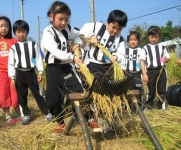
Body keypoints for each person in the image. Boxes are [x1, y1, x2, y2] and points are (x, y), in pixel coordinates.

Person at [79, 9, 128, 131]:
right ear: (108, 22)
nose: (115, 31)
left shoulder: (120, 40)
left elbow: (122, 53)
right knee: (97, 89)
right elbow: (84, 29)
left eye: (119, 29)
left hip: (108, 67)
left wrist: (116, 56)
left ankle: (107, 118)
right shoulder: (97, 27)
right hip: (92, 64)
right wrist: (92, 36)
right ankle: (93, 118)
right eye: (113, 27)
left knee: (111, 90)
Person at [41, 1, 84, 134]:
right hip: (53, 69)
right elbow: (55, 51)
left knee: (78, 93)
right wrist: (72, 57)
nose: (64, 23)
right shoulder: (48, 32)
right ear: (51, 16)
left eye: (66, 19)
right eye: (60, 19)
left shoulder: (68, 29)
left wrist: (77, 44)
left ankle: (88, 118)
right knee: (52, 99)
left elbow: (78, 36)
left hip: (66, 67)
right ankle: (60, 122)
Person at [8, 20, 49, 125]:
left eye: (23, 31)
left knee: (38, 93)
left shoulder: (33, 44)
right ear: (15, 33)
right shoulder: (13, 48)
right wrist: (12, 77)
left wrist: (40, 71)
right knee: (21, 95)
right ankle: (26, 114)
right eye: (18, 32)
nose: (21, 34)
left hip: (31, 72)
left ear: (27, 32)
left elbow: (37, 58)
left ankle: (46, 112)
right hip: (19, 73)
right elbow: (11, 63)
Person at [0, 16, 20, 124]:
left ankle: (17, 112)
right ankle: (7, 115)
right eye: (1, 26)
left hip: (13, 72)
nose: (4, 28)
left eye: (6, 26)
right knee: (3, 93)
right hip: (0, 73)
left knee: (15, 92)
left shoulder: (14, 41)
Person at [143, 25, 170, 110]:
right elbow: (142, 61)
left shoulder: (162, 47)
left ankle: (161, 106)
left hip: (161, 70)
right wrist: (144, 74)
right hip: (151, 71)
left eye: (156, 37)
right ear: (148, 37)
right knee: (150, 89)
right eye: (152, 37)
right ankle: (149, 106)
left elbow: (166, 58)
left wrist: (165, 60)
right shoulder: (145, 48)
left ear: (159, 37)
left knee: (161, 88)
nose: (154, 39)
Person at [124, 31, 148, 109]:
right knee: (128, 91)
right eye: (131, 40)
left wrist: (144, 74)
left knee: (138, 91)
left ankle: (138, 106)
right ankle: (128, 107)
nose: (133, 41)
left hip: (137, 74)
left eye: (135, 40)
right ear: (128, 42)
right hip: (127, 74)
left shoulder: (141, 50)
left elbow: (143, 62)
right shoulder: (125, 51)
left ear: (138, 41)